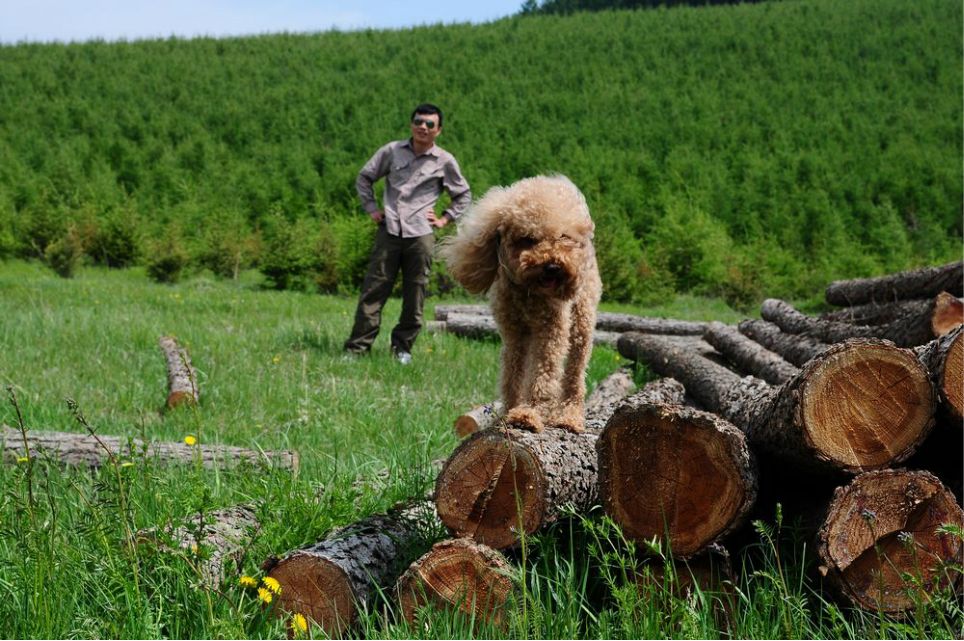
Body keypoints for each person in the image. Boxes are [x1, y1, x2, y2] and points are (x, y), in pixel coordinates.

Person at [343, 103, 471, 364]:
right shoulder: (391, 151)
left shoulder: (444, 160)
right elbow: (364, 178)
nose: (423, 127)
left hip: (421, 235)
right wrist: (371, 208)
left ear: (438, 130)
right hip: (389, 230)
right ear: (412, 124)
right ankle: (357, 349)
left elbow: (463, 194)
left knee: (415, 294)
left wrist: (445, 218)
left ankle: (402, 349)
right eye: (418, 121)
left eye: (429, 124)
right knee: (374, 290)